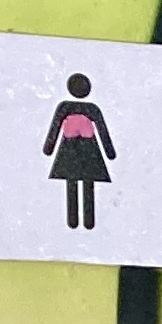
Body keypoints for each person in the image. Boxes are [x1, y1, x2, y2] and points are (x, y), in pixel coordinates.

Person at [46, 73, 116, 231]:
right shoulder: (88, 108)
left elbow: (55, 128)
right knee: (83, 183)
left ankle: (80, 220)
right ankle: (79, 220)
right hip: (85, 148)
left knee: (76, 183)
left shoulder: (67, 107)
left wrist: (49, 148)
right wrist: (109, 151)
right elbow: (102, 130)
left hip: (73, 148)